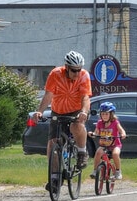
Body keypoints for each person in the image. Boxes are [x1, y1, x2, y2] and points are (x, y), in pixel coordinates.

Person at [34, 51, 92, 185]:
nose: (77, 73)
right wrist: (40, 112)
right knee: (52, 144)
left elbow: (85, 97)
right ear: (66, 67)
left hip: (77, 109)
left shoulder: (84, 76)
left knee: (76, 125)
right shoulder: (55, 74)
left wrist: (83, 112)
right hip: (58, 111)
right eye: (73, 70)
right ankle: (55, 177)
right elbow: (48, 95)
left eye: (79, 70)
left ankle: (82, 153)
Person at [90, 101, 127, 180]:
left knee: (115, 154)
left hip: (115, 145)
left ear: (111, 114)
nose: (104, 116)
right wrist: (92, 134)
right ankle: (95, 170)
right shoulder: (99, 123)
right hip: (104, 145)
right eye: (102, 114)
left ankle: (118, 171)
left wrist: (123, 134)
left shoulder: (115, 122)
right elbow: (96, 132)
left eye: (106, 114)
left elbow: (121, 130)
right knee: (98, 153)